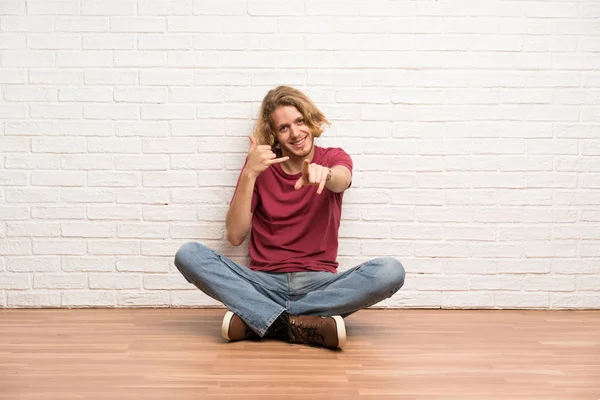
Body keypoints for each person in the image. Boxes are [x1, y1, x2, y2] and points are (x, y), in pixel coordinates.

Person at [174, 86, 405, 349]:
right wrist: (249, 173)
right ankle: (300, 324)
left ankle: (261, 318)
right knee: (188, 254)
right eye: (284, 127)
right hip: (263, 282)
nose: (295, 133)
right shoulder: (260, 168)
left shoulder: (333, 158)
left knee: (391, 271)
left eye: (299, 121)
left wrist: (326, 175)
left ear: (310, 120)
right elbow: (235, 236)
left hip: (319, 284)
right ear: (274, 134)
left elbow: (342, 179)